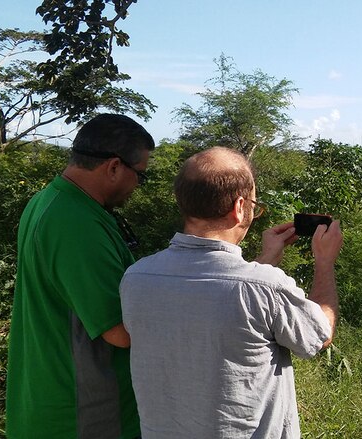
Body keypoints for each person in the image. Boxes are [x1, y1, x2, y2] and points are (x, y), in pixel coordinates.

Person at [120, 146, 343, 438]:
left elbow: (213, 298)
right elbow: (321, 333)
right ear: (239, 207)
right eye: (253, 202)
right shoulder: (266, 287)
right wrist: (324, 262)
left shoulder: (137, 277)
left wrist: (263, 262)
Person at [6, 114, 155, 438]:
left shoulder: (51, 201)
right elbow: (120, 332)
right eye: (140, 176)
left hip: (51, 399)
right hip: (83, 417)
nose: (137, 187)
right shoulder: (77, 224)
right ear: (114, 167)